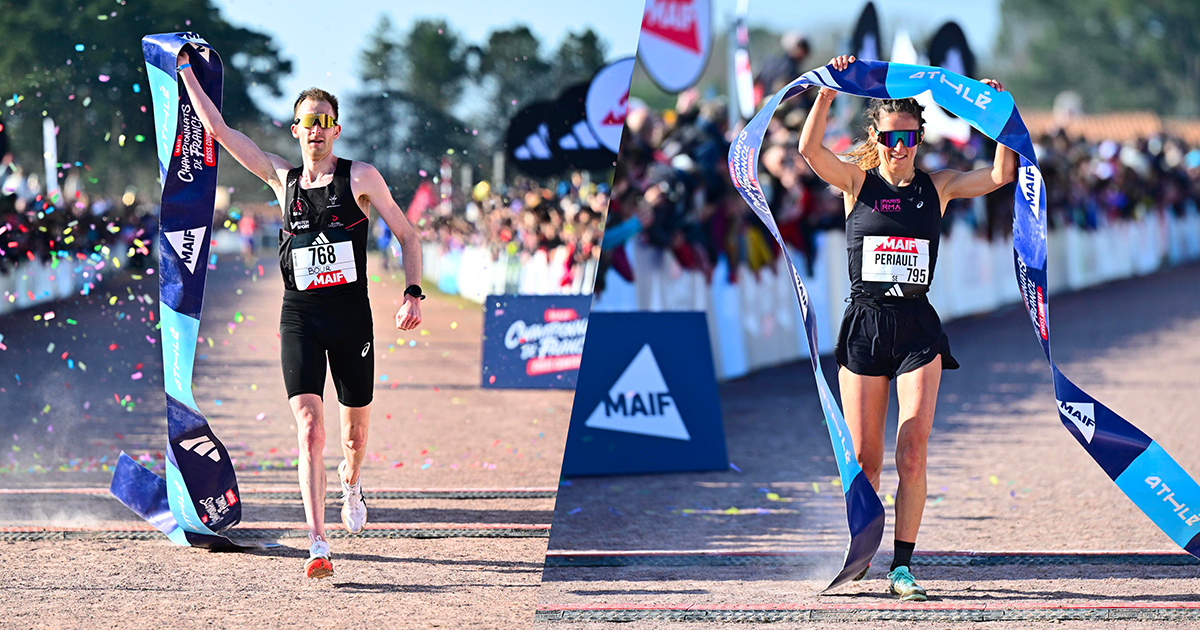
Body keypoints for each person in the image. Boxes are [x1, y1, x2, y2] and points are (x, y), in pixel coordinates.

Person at [176, 49, 424, 579]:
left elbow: (406, 234)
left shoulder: (361, 178)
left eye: (324, 122)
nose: (316, 130)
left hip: (352, 318)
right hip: (301, 316)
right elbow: (217, 131)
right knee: (309, 426)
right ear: (295, 130)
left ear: (336, 130)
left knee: (353, 436)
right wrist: (184, 73)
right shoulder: (280, 179)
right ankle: (317, 543)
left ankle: (351, 482)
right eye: (308, 122)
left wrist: (412, 291)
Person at [797, 55, 1015, 601]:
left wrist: (998, 118)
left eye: (910, 138)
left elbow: (999, 175)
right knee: (867, 463)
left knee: (912, 447)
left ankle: (903, 567)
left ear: (919, 136)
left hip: (918, 327)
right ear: (875, 135)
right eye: (891, 138)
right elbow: (809, 152)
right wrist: (826, 91)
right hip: (866, 328)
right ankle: (861, 552)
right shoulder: (856, 182)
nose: (901, 148)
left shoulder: (936, 186)